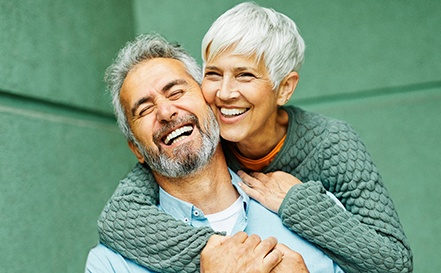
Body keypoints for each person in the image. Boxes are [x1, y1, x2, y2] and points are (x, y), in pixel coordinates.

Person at [97, 2, 413, 273]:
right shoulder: (187, 146)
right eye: (214, 74)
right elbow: (117, 220)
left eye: (245, 75)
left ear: (285, 88)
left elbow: (393, 262)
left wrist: (299, 203)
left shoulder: (330, 148)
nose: (224, 93)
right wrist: (225, 257)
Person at [86, 33, 344, 273]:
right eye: (144, 110)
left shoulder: (317, 212)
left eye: (176, 92)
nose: (165, 113)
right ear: (136, 149)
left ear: (211, 104)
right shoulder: (109, 264)